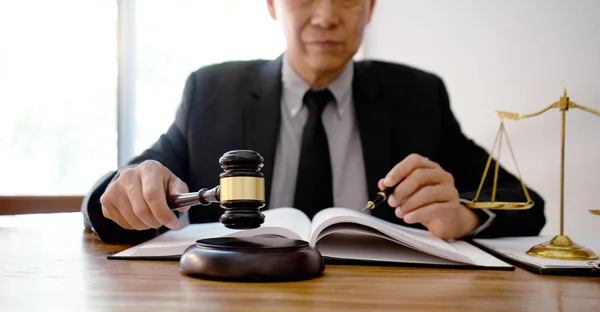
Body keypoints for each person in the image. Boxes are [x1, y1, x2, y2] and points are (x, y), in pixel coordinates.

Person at [83, 0, 545, 244]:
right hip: (234, 309)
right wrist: (123, 192)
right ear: (271, 4)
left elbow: (524, 203)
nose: (325, 16)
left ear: (370, 7)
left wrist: (464, 216)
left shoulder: (417, 96)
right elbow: (117, 195)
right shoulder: (211, 92)